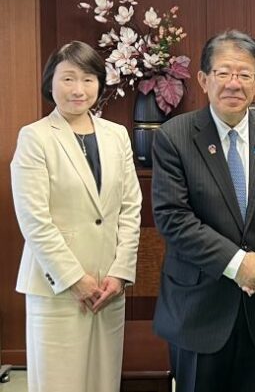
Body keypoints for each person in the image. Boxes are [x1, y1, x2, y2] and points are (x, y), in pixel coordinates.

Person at [151, 30, 255, 391]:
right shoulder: (174, 136)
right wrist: (239, 264)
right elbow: (173, 218)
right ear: (204, 79)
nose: (234, 83)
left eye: (244, 74)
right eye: (223, 72)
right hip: (196, 308)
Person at [11, 41, 142, 392]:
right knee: (59, 383)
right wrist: (73, 278)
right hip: (58, 287)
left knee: (104, 382)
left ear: (99, 83)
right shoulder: (35, 137)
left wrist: (120, 273)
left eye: (87, 79)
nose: (78, 89)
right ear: (50, 82)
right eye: (68, 79)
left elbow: (130, 208)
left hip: (108, 288)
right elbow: (34, 219)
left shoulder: (116, 136)